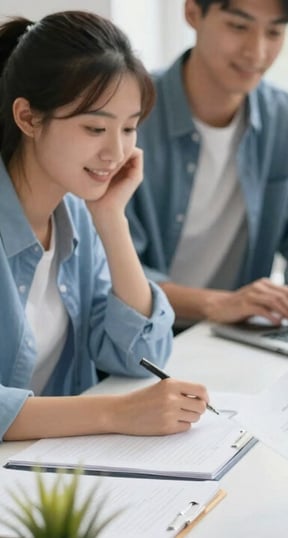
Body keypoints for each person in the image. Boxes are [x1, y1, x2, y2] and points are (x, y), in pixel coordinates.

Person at [0, 11, 212, 441]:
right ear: (28, 118)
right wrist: (114, 413)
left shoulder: (75, 213)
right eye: (95, 127)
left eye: (130, 128)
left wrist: (111, 218)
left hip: (52, 467)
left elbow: (139, 355)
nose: (115, 152)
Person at [127, 0, 288, 328]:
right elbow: (108, 272)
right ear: (193, 13)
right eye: (238, 27)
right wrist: (218, 303)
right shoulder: (129, 116)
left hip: (233, 333)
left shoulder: (284, 118)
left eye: (274, 31)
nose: (256, 53)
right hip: (139, 337)